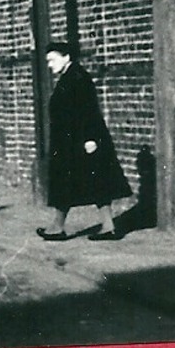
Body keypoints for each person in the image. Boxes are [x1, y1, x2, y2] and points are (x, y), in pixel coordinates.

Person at [38, 42, 132, 241]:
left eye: (52, 59)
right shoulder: (70, 77)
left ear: (66, 57)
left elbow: (89, 110)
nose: (49, 64)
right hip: (70, 142)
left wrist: (90, 138)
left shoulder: (78, 78)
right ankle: (102, 227)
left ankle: (66, 227)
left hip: (81, 141)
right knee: (84, 182)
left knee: (84, 182)